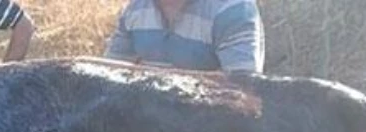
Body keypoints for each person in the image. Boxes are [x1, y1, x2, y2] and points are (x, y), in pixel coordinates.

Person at [104, 0, 265, 73]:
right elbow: (109, 74)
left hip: (208, 128)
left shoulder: (234, 10)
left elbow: (245, 97)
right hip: (147, 124)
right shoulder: (135, 8)